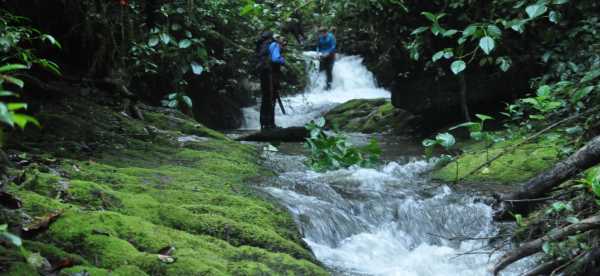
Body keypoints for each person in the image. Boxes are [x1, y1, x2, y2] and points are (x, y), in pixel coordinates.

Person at [255, 31, 286, 130]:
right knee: (271, 99)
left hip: (263, 74)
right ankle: (270, 124)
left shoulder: (263, 45)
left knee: (265, 98)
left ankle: (264, 124)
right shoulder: (274, 45)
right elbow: (275, 59)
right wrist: (283, 60)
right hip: (270, 75)